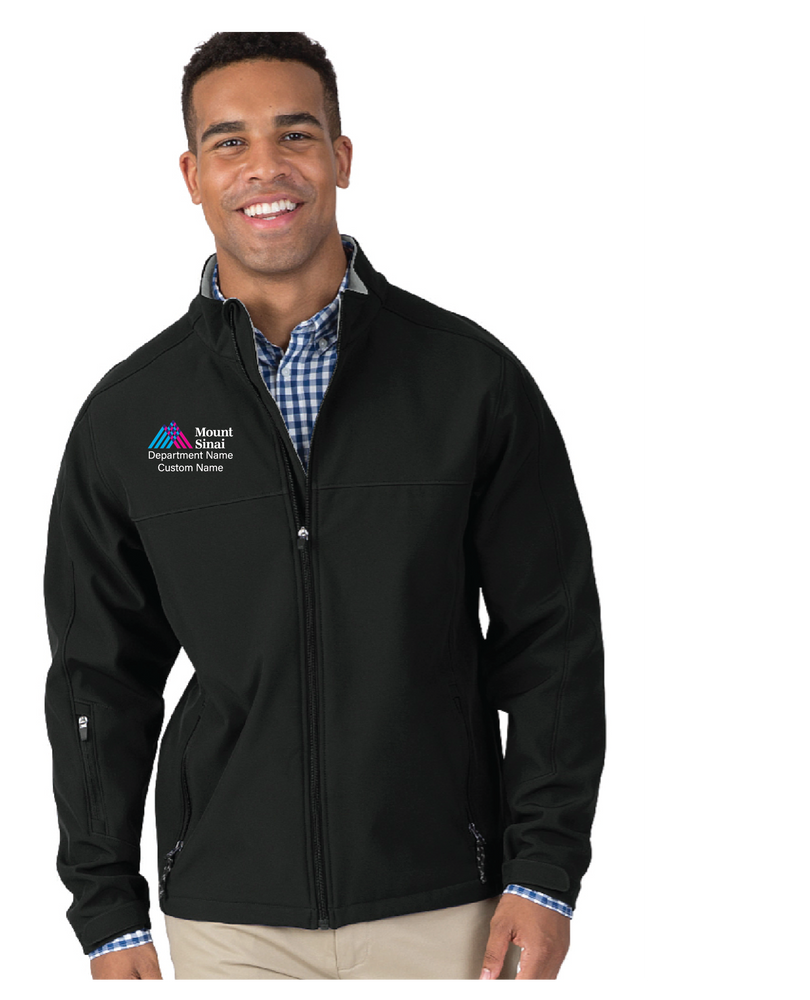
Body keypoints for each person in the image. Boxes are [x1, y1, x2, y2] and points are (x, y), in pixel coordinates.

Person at [44, 31, 605, 983]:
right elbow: (98, 680)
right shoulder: (132, 415)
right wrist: (107, 914)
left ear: (341, 157)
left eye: (295, 134)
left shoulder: (470, 382)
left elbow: (553, 640)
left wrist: (545, 877)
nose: (265, 166)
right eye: (229, 141)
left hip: (445, 904)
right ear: (191, 175)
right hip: (228, 917)